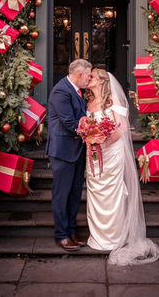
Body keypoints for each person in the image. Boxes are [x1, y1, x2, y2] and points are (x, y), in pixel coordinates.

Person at [83, 68, 159, 265]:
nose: (89, 78)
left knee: (112, 192)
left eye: (92, 76)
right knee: (95, 190)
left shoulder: (112, 101)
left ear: (101, 81)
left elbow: (122, 127)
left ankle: (114, 238)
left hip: (111, 152)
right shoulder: (89, 101)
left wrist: (104, 144)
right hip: (93, 154)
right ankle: (98, 237)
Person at [46, 58, 92, 252]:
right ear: (79, 74)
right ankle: (61, 235)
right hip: (63, 151)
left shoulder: (77, 90)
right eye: (89, 75)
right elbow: (69, 122)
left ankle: (71, 232)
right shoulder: (60, 91)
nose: (90, 79)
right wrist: (93, 133)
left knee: (74, 195)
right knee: (62, 195)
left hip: (77, 151)